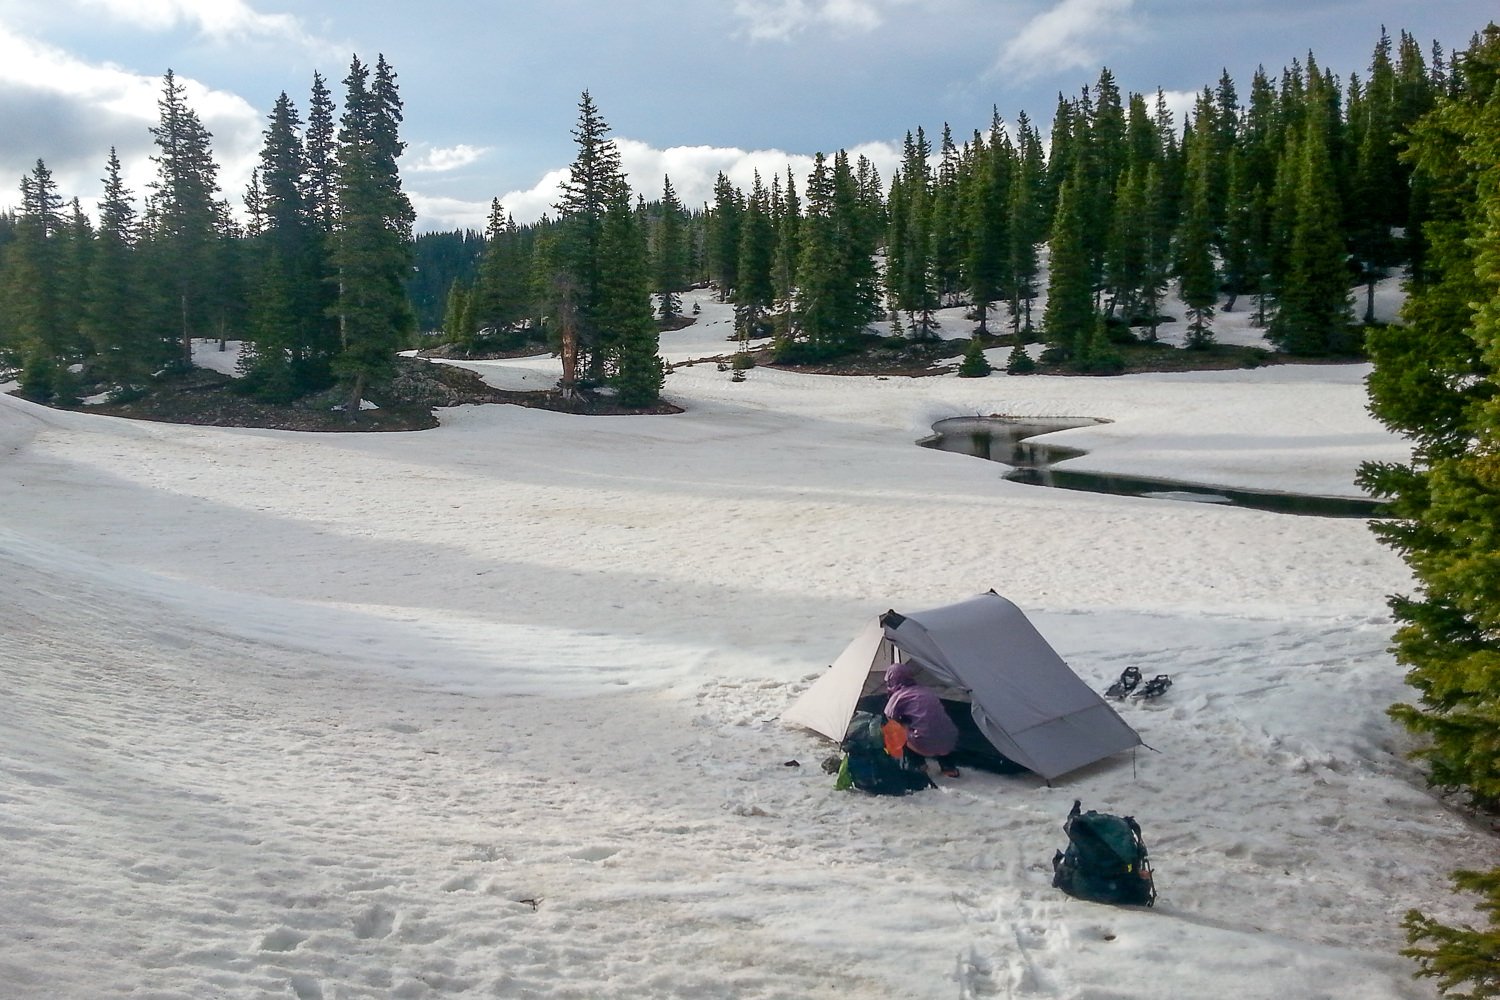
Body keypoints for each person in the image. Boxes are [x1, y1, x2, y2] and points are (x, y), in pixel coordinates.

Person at [883, 661, 961, 778]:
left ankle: (917, 765)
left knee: (899, 730)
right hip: (951, 740)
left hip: (924, 743)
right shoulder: (925, 690)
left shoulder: (898, 696)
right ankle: (949, 767)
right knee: (936, 727)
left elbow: (889, 718)